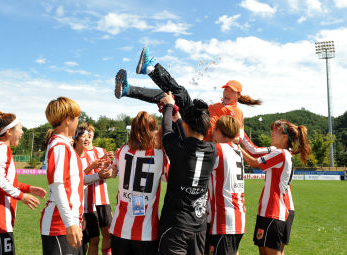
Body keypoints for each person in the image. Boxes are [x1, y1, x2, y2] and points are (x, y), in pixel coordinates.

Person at [114, 46, 272, 157]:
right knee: (169, 95)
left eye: (231, 91)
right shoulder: (216, 106)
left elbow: (239, 137)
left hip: (202, 136)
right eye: (225, 89)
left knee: (181, 93)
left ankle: (149, 68)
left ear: (238, 95)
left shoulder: (236, 112)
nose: (226, 92)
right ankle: (128, 90)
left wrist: (267, 149)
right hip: (192, 128)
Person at [40, 97, 112, 255]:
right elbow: (57, 186)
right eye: (77, 117)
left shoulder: (65, 145)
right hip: (59, 224)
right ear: (67, 120)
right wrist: (70, 222)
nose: (78, 122)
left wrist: (98, 176)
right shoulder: (59, 146)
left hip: (69, 222)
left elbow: (75, 183)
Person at [0, 110, 47, 255]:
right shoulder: (1, 148)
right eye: (20, 128)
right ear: (8, 132)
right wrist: (22, 196)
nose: (22, 132)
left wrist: (28, 188)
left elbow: (2, 181)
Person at [240, 120, 311, 255]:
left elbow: (254, 163)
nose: (271, 133)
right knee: (271, 250)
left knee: (269, 251)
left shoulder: (281, 153)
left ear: (285, 136)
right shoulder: (282, 152)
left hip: (274, 210)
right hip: (277, 209)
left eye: (275, 130)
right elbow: (255, 153)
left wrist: (234, 146)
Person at [158, 92, 217, 255]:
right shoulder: (212, 150)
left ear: (186, 126)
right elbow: (191, 142)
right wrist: (178, 119)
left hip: (175, 226)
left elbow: (166, 129)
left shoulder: (179, 148)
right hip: (199, 227)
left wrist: (169, 106)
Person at [109, 111, 168, 255]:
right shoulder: (161, 155)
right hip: (147, 232)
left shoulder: (121, 151)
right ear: (152, 131)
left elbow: (114, 170)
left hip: (119, 228)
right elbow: (169, 179)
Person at [205, 116, 246, 255]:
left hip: (223, 220)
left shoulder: (218, 149)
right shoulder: (237, 150)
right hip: (236, 216)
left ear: (218, 130)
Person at [73, 126, 111, 255]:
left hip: (101, 200)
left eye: (89, 134)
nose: (87, 137)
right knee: (86, 240)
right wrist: (94, 169)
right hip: (84, 203)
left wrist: (110, 167)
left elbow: (109, 172)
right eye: (84, 135)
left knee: (104, 235)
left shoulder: (100, 151)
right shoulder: (74, 155)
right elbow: (77, 179)